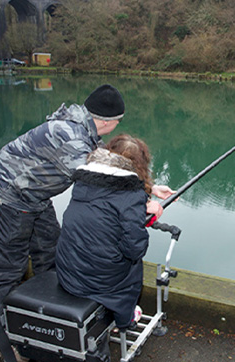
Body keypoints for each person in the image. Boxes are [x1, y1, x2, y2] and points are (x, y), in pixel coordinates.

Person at [0, 85, 173, 359]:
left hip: (35, 196)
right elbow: (100, 182)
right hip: (5, 196)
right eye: (118, 121)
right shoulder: (72, 138)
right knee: (6, 271)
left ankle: (51, 326)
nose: (118, 126)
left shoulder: (85, 130)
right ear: (106, 121)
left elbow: (111, 169)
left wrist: (150, 189)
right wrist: (143, 204)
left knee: (50, 255)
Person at [55, 134, 160, 332]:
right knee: (133, 265)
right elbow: (135, 249)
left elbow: (105, 208)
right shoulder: (131, 195)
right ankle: (125, 318)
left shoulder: (83, 182)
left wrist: (143, 203)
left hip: (67, 274)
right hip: (99, 283)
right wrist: (144, 211)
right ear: (140, 164)